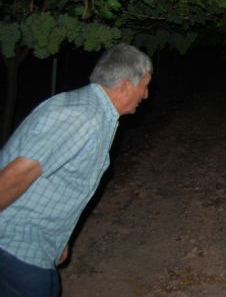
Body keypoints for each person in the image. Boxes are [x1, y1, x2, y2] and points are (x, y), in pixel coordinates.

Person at [0, 43, 152, 296]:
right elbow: (13, 177)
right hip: (13, 246)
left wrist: (60, 239)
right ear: (126, 86)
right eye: (144, 86)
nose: (146, 95)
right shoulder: (81, 116)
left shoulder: (98, 115)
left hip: (37, 248)